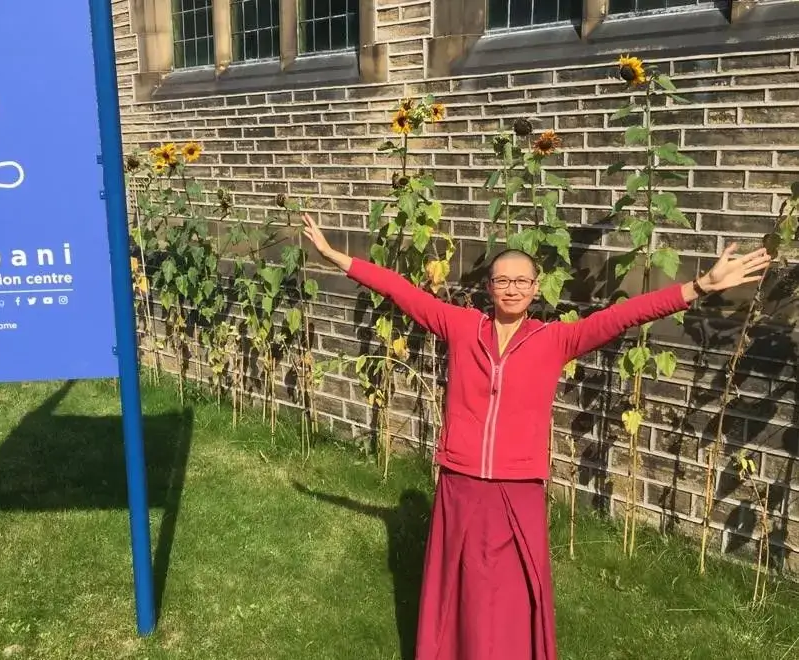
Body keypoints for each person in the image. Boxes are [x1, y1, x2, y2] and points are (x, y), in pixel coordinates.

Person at [300, 212, 771, 660]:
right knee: (456, 585)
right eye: (502, 280)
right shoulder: (463, 327)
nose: (512, 289)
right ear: (488, 287)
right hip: (461, 483)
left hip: (517, 488)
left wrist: (700, 286)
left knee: (510, 592)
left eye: (521, 281)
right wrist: (335, 256)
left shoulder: (554, 340)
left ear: (535, 288)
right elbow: (402, 291)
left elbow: (624, 315)